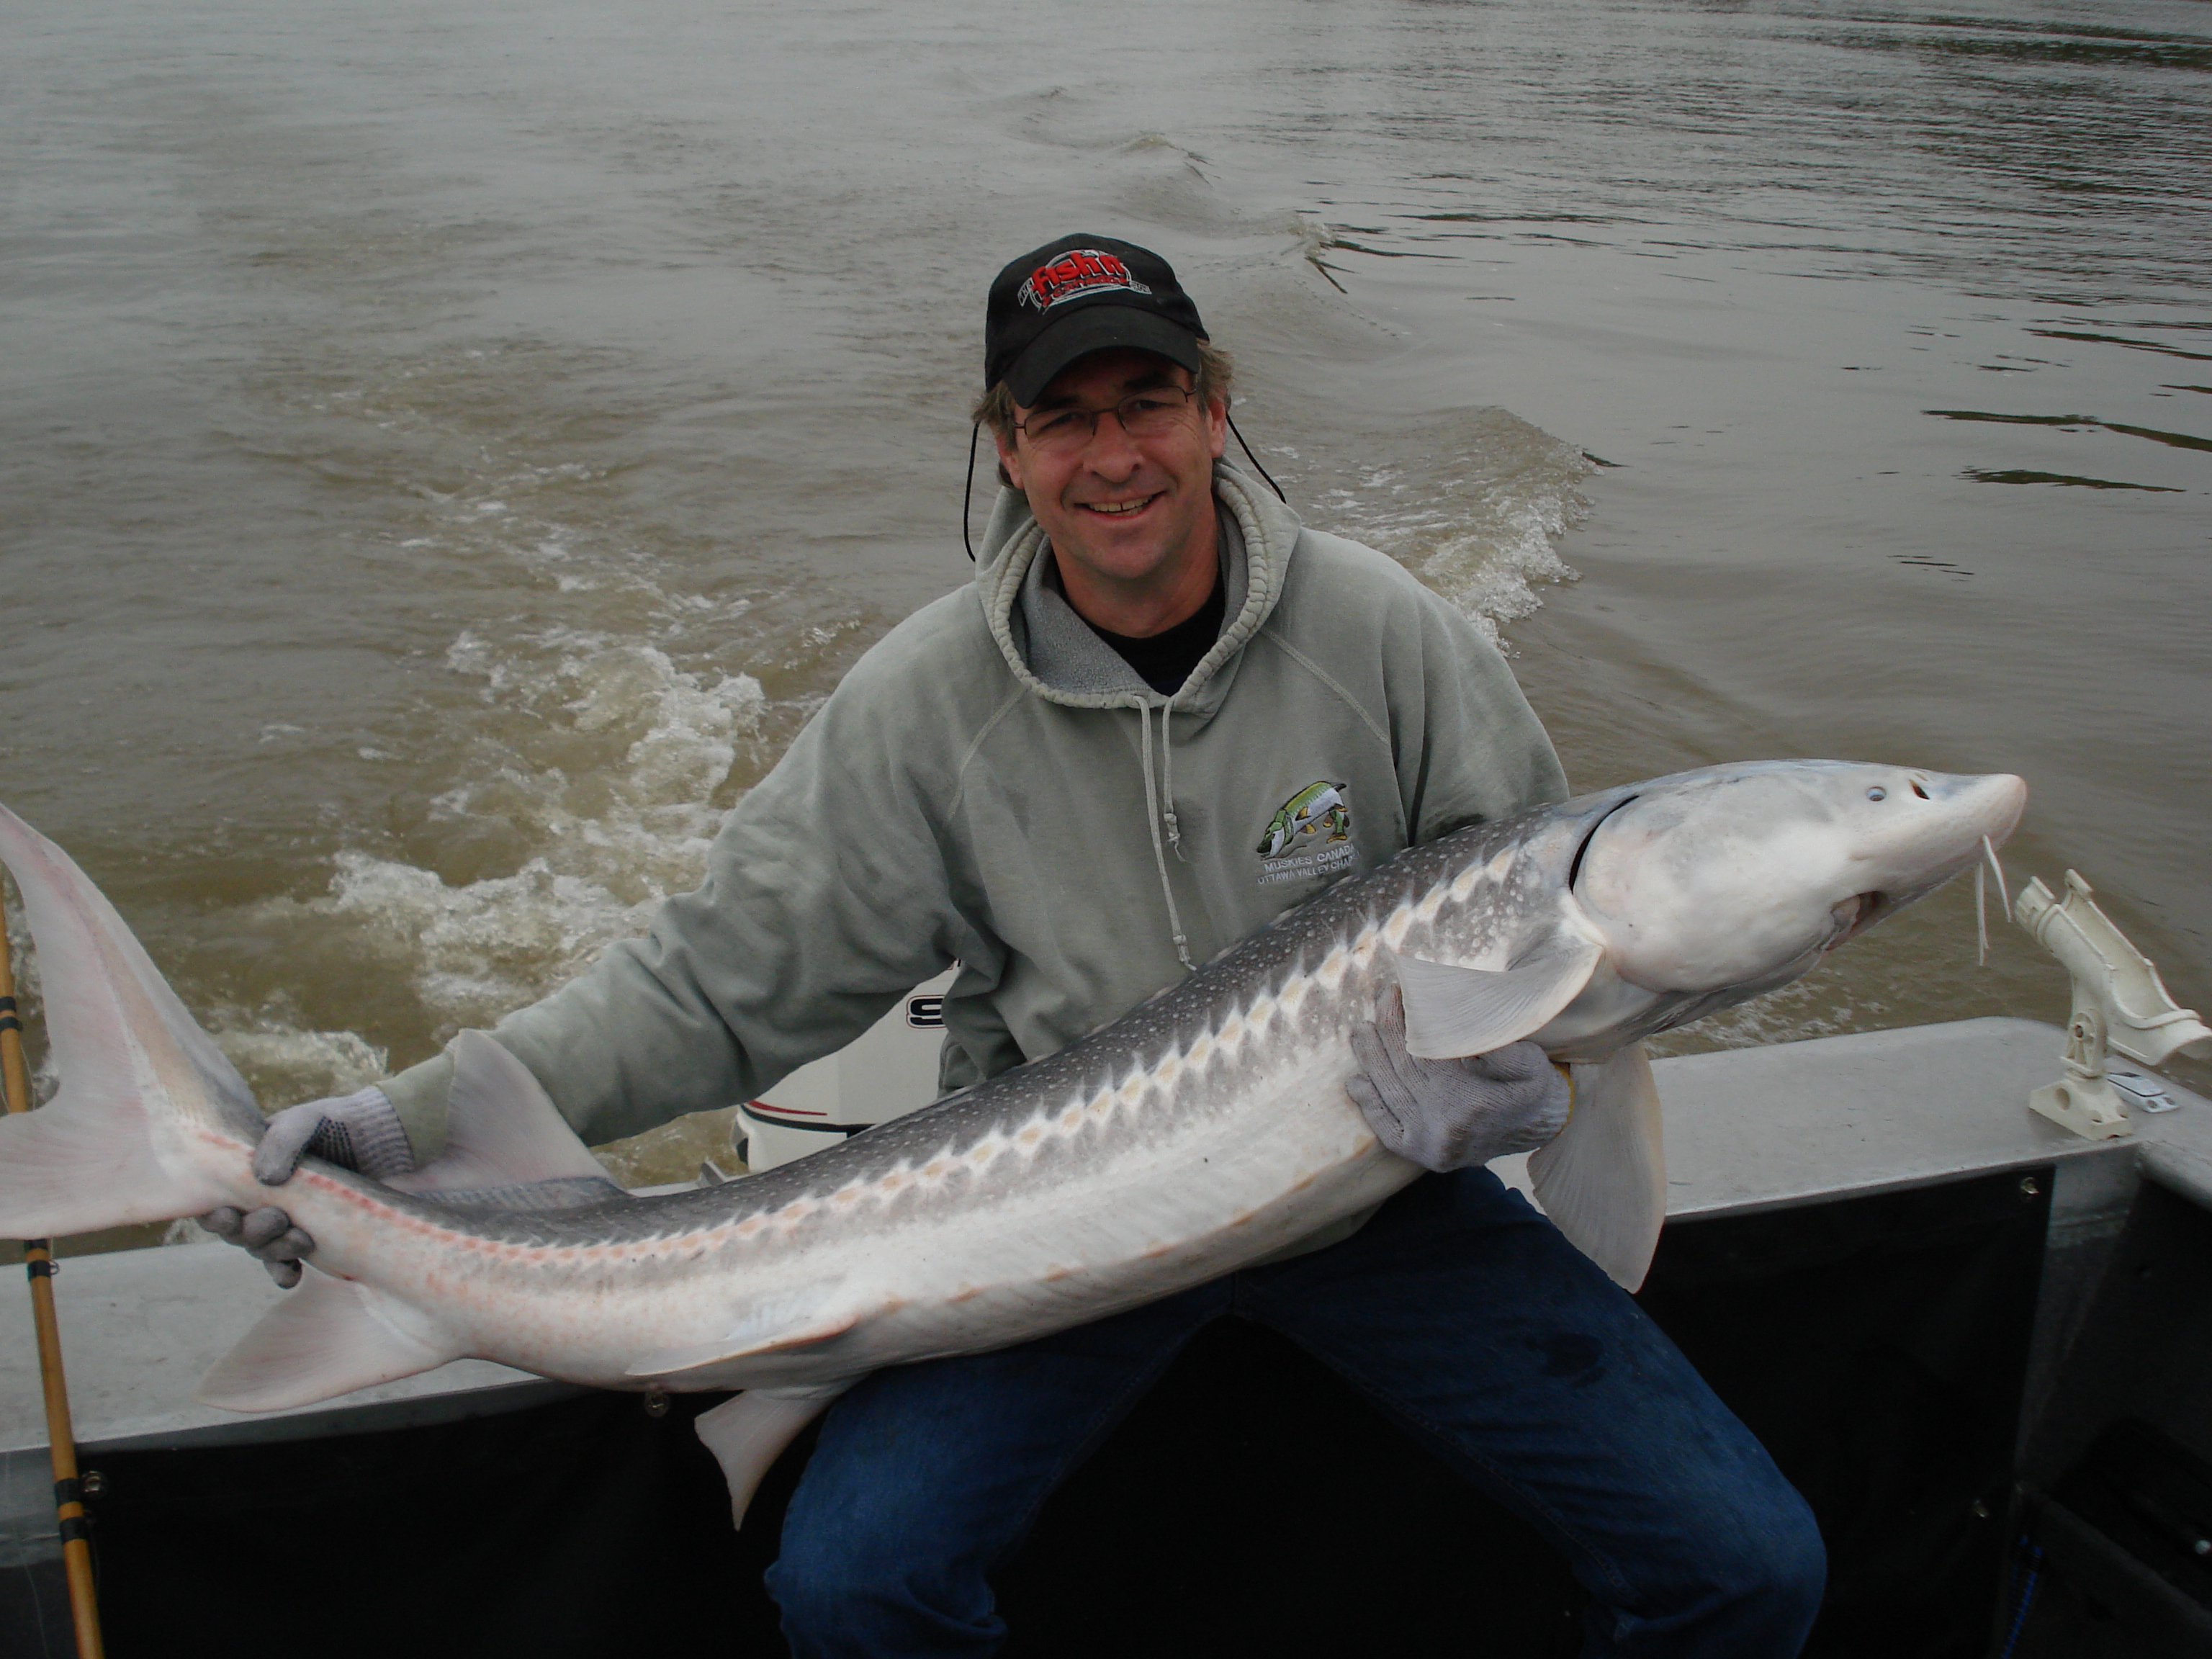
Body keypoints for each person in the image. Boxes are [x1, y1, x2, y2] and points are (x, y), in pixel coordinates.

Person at [207, 234, 1826, 1655]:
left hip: (1383, 1201)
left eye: (1148, 402)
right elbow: (711, 983)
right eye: (1064, 417)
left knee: (1746, 1566)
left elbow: (1566, 910)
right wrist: (400, 1126)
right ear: (1005, 446)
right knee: (854, 1586)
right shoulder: (925, 706)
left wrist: (1530, 1083)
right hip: (1035, 1226)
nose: (1113, 456)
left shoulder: (1390, 636)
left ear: (1216, 411)